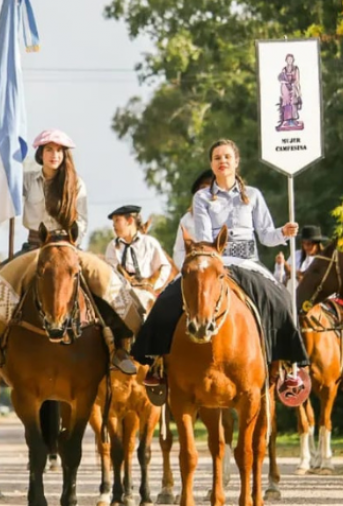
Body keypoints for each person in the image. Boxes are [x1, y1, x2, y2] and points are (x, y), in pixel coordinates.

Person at [132, 139, 310, 389]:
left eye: (227, 157)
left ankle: (287, 365)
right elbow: (205, 237)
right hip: (216, 260)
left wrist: (283, 232)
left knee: (280, 298)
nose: (222, 161)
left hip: (248, 262)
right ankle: (156, 360)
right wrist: (212, 258)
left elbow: (267, 236)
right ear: (212, 164)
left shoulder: (254, 196)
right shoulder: (202, 197)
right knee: (168, 298)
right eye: (217, 158)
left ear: (236, 162)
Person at [0, 128, 139, 375]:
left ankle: (120, 348)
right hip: (35, 247)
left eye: (59, 150)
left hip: (68, 247)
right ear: (41, 153)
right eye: (49, 149)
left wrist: (69, 242)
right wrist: (2, 156)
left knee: (109, 281)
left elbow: (82, 220)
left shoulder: (76, 183)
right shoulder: (28, 179)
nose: (54, 155)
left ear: (64, 155)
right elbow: (4, 187)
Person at [276, 225, 343, 388]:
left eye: (310, 244)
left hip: (323, 299)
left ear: (317, 244)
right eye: (305, 243)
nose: (307, 247)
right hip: (297, 301)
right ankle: (279, 361)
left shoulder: (324, 259)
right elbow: (282, 280)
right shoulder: (295, 257)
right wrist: (281, 267)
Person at [105, 205, 172, 294]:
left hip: (147, 292)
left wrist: (152, 286)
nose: (113, 225)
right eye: (113, 221)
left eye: (117, 220)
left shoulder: (149, 242)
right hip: (123, 295)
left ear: (129, 221)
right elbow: (111, 271)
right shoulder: (113, 246)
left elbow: (164, 266)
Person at [172, 169, 215, 268]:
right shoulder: (187, 220)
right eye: (203, 188)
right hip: (194, 268)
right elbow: (179, 251)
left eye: (210, 189)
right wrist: (188, 268)